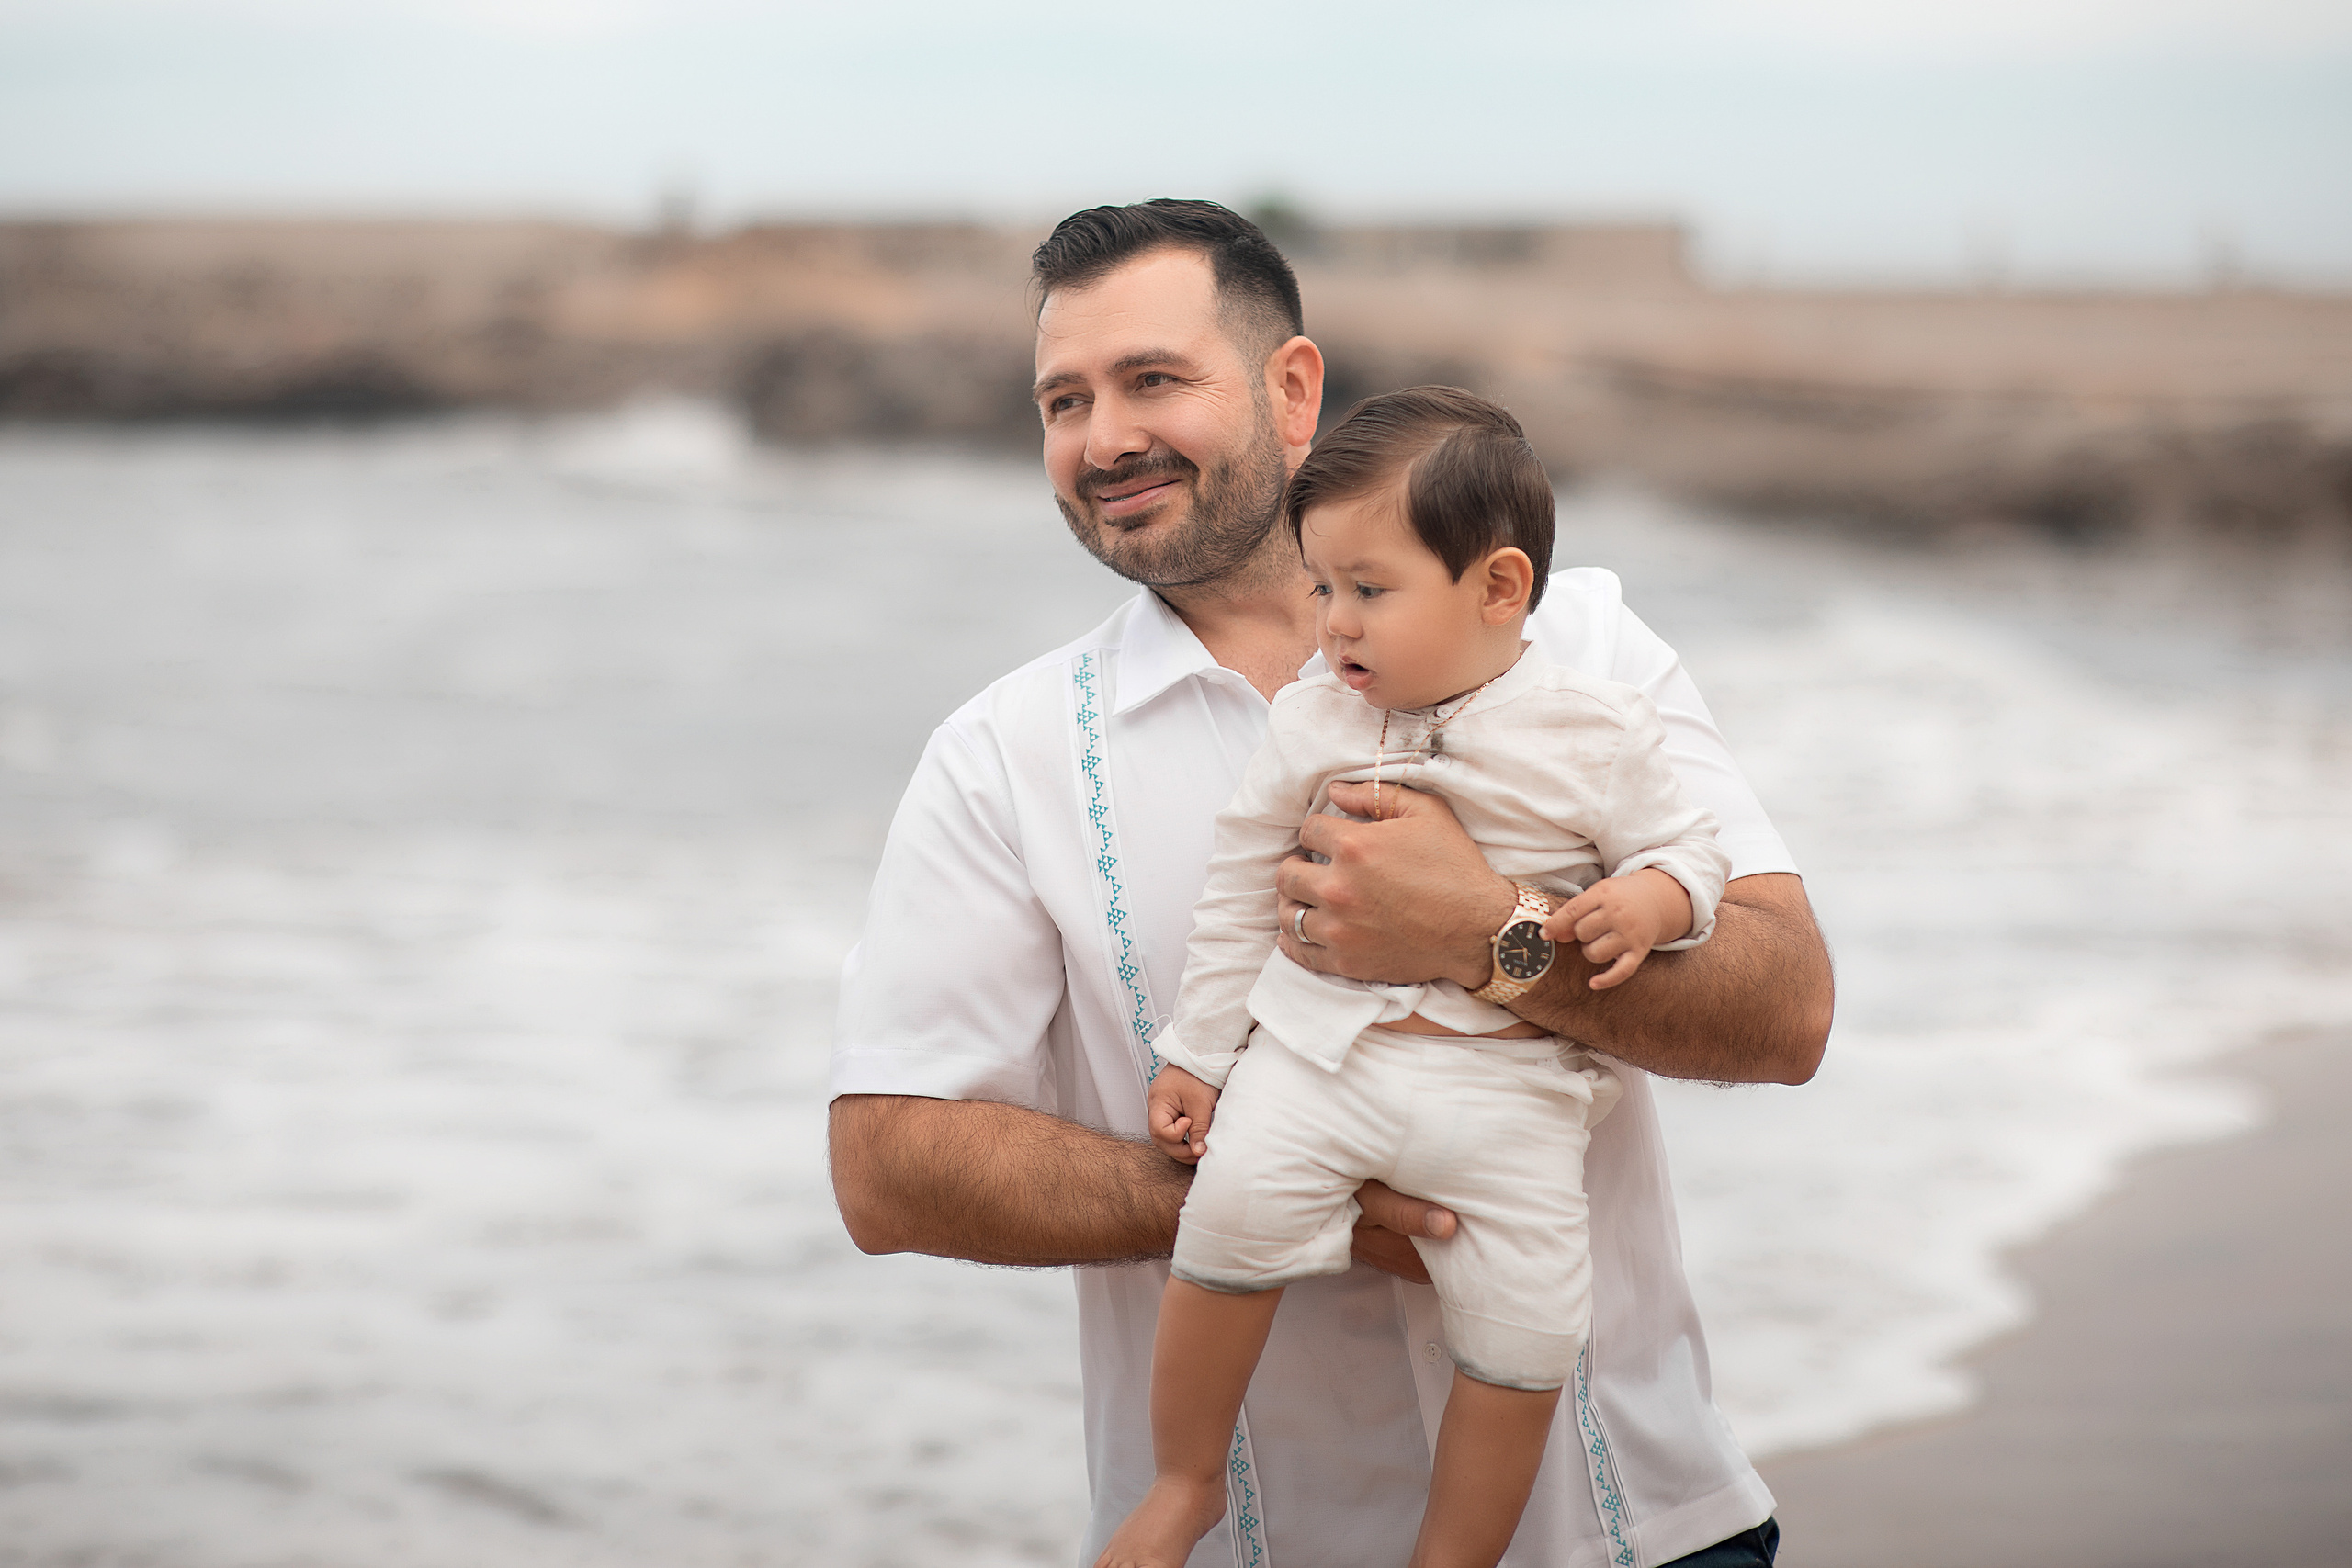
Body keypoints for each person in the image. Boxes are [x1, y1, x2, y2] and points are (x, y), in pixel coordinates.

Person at [830, 199, 1833, 1568]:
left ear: (1292, 389)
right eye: (1064, 401)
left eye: (1153, 379)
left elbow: (1787, 1010)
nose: (1103, 438)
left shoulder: (1580, 641)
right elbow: (887, 1163)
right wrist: (1299, 1195)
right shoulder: (1005, 757)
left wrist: (1488, 934)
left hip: (1643, 1536)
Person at [1102, 385, 1732, 1568]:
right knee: (1226, 1227)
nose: (1334, 624)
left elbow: (1694, 853)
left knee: (1530, 1334)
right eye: (1321, 588)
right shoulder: (1312, 722)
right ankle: (1184, 1481)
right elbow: (1241, 887)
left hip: (1512, 1096)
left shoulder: (1594, 730)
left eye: (1369, 590)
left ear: (1498, 588)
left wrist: (1654, 900)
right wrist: (1200, 1051)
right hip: (1316, 1061)